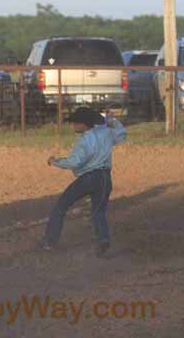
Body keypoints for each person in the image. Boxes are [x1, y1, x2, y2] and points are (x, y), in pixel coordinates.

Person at [40, 107, 127, 258]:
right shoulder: (105, 133)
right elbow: (121, 134)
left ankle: (49, 241)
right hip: (105, 178)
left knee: (61, 206)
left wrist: (54, 161)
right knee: (98, 212)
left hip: (88, 178)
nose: (73, 125)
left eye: (75, 123)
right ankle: (103, 239)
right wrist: (111, 121)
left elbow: (75, 162)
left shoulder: (84, 140)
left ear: (84, 125)